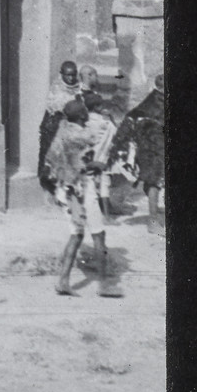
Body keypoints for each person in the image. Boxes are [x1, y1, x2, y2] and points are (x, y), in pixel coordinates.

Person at [48, 96, 124, 298]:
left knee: (77, 234)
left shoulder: (63, 130)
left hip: (65, 190)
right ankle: (104, 284)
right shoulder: (82, 136)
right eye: (86, 112)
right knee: (98, 235)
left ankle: (63, 281)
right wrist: (98, 165)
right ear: (82, 115)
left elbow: (52, 159)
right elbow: (89, 160)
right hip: (82, 191)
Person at [113, 73, 166, 219]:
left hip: (151, 146)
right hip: (153, 147)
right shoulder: (159, 101)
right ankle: (153, 220)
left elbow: (132, 116)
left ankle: (153, 211)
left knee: (152, 181)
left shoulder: (151, 99)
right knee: (153, 182)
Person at [36, 60, 84, 196]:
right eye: (67, 75)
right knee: (50, 157)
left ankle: (67, 186)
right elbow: (57, 106)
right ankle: (49, 185)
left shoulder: (79, 87)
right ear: (61, 74)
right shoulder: (56, 88)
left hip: (71, 127)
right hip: (53, 126)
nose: (70, 78)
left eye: (73, 75)